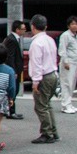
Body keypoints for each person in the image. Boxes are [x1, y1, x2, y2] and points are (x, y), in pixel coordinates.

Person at [28, 14, 60, 144]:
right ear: (45, 26)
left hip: (44, 76)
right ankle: (53, 131)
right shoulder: (50, 40)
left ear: (32, 26)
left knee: (41, 106)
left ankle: (47, 133)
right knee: (47, 105)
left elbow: (36, 63)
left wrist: (35, 81)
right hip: (52, 73)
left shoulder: (36, 43)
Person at [3, 20, 26, 119]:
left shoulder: (15, 39)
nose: (24, 31)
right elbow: (10, 56)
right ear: (17, 29)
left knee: (13, 90)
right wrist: (14, 71)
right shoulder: (12, 40)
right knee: (13, 90)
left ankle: (8, 109)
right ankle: (10, 111)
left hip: (16, 69)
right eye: (23, 29)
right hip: (14, 70)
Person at [58, 16, 77, 114]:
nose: (75, 26)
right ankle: (65, 105)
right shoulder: (65, 35)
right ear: (68, 25)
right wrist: (66, 62)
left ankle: (69, 103)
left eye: (76, 24)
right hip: (68, 63)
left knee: (72, 84)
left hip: (75, 63)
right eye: (72, 24)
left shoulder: (76, 36)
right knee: (66, 84)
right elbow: (62, 49)